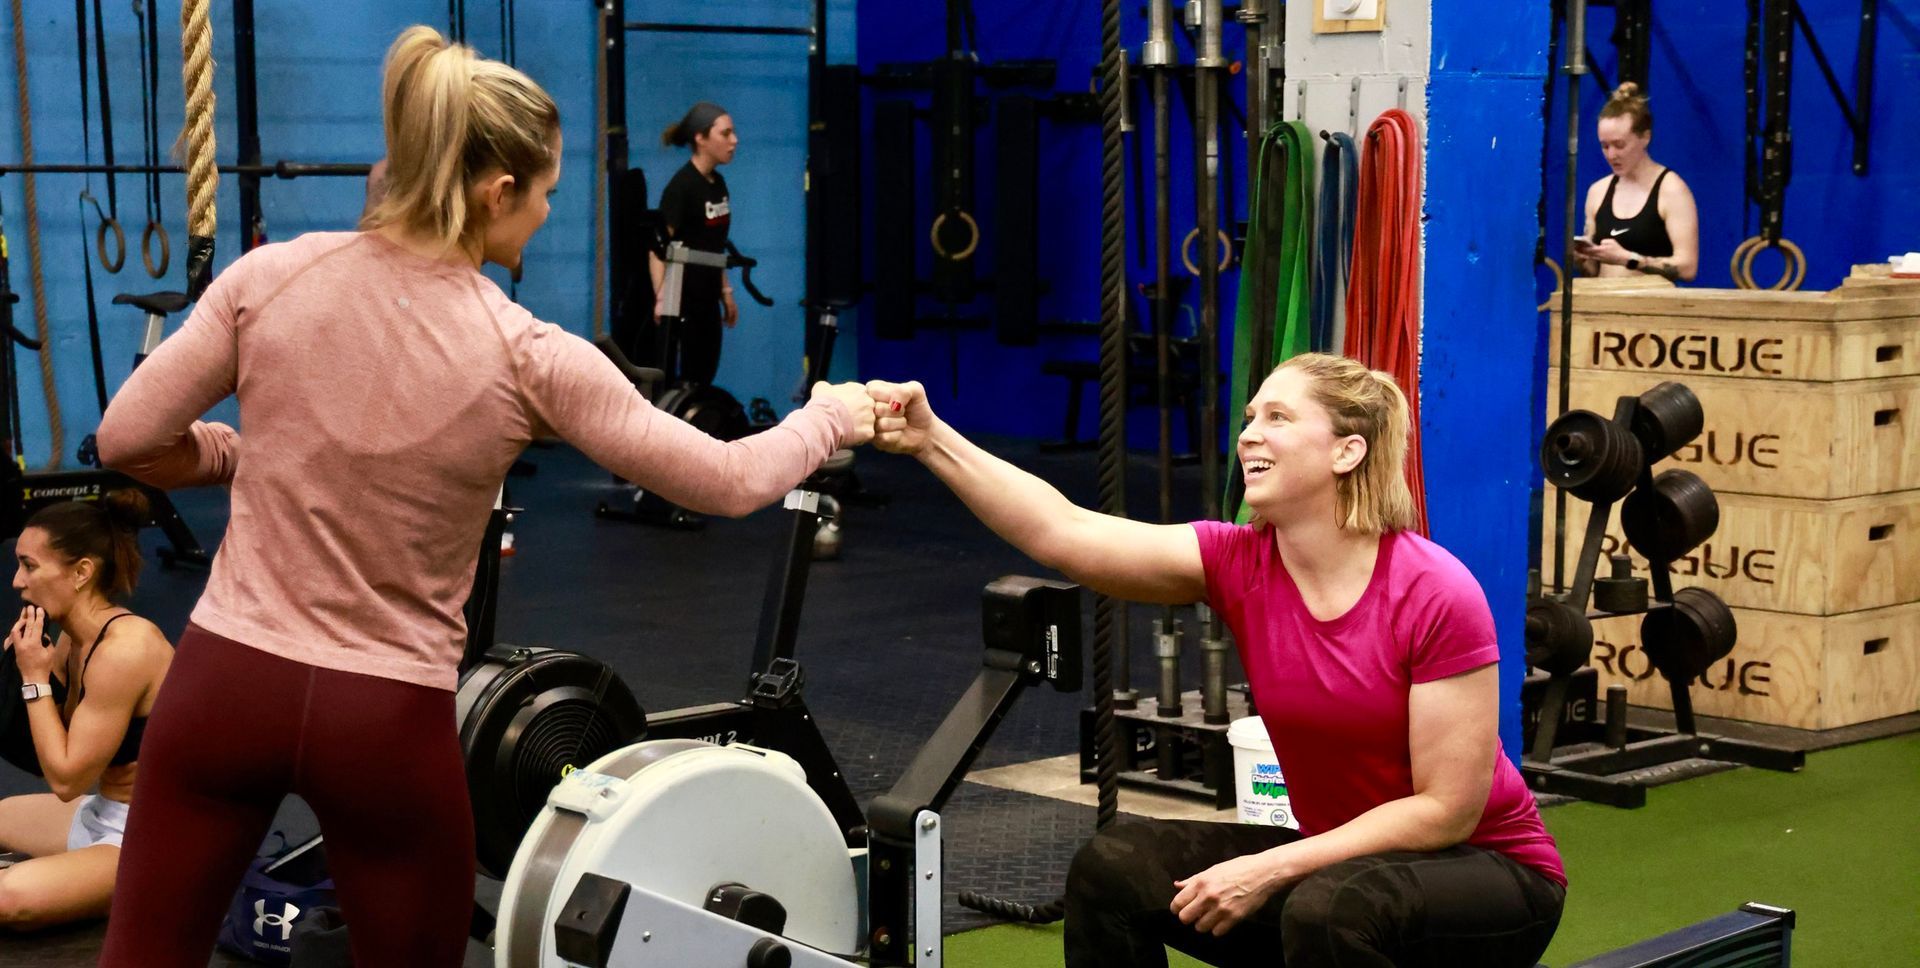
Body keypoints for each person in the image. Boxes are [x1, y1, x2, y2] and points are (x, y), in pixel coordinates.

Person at [92, 26, 872, 967]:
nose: (543, 213)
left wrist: (234, 456)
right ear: (496, 192)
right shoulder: (525, 353)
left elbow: (128, 440)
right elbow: (730, 479)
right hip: (380, 722)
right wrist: (832, 416)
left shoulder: (271, 277)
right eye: (543, 194)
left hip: (223, 687)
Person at [865, 353, 1566, 967]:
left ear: (1347, 452)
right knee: (1116, 866)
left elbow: (1446, 811)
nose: (1249, 434)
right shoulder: (1240, 561)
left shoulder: (1434, 591)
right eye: (1251, 415)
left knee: (1328, 909)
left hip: (1487, 877)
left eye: (1279, 418)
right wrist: (932, 440)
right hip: (1339, 869)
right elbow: (1062, 529)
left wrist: (1269, 866)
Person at [0, 493, 173, 932]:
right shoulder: (70, 640)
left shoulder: (126, 648)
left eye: (30, 566)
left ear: (81, 572)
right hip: (104, 810)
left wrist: (35, 679)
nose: (17, 581)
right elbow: (36, 754)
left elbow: (65, 779)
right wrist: (17, 675)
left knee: (8, 898)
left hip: (151, 836)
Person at [649, 101, 740, 386]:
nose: (734, 140)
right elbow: (657, 249)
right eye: (725, 134)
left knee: (704, 376)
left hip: (708, 297)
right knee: (685, 380)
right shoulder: (682, 187)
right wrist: (662, 299)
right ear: (701, 138)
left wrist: (725, 290)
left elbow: (714, 243)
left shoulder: (718, 183)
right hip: (682, 299)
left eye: (733, 133)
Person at [1573, 82, 1699, 283]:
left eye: (1619, 145)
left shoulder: (1672, 190)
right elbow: (1593, 271)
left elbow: (1688, 267)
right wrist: (1583, 259)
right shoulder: (1598, 191)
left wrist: (1629, 259)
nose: (1612, 155)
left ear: (1645, 137)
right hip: (1602, 304)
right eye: (1605, 146)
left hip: (1650, 308)